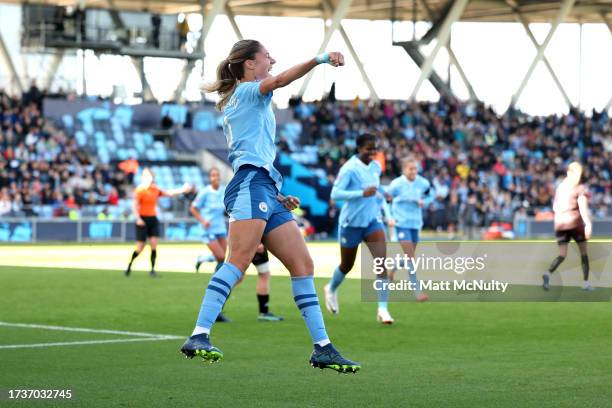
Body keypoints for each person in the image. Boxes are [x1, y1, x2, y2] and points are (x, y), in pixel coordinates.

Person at [179, 39, 360, 373]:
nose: (273, 60)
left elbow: (254, 152)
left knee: (303, 264)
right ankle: (199, 334)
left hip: (263, 186)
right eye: (266, 56)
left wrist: (275, 195)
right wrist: (320, 58)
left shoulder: (242, 97)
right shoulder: (248, 91)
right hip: (251, 184)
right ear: (250, 63)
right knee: (238, 261)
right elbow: (280, 81)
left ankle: (323, 347)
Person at [191, 167, 283, 321]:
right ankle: (215, 304)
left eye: (217, 174)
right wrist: (256, 242)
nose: (216, 177)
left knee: (250, 274)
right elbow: (249, 215)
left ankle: (260, 312)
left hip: (222, 229)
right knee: (230, 268)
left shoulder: (228, 190)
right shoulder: (250, 190)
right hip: (213, 231)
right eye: (213, 175)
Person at [323, 133, 394, 324]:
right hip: (351, 224)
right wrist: (361, 193)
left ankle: (383, 309)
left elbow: (375, 190)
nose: (372, 152)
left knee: (381, 263)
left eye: (374, 148)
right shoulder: (349, 169)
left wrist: (384, 194)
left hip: (372, 221)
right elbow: (335, 194)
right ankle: (331, 288)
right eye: (368, 148)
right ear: (359, 148)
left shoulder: (376, 166)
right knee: (347, 265)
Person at [124, 168, 191, 277]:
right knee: (140, 247)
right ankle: (129, 265)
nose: (150, 178)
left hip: (153, 219)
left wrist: (182, 190)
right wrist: (138, 218)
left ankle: (152, 270)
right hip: (142, 219)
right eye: (147, 176)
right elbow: (134, 205)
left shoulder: (155, 189)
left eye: (151, 176)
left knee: (154, 245)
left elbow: (168, 193)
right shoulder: (140, 190)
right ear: (143, 178)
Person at [386, 157, 433, 302]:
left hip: (415, 223)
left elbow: (430, 195)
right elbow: (386, 200)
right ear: (403, 169)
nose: (413, 171)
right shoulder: (396, 184)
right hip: (401, 223)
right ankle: (417, 291)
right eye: (410, 169)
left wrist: (424, 202)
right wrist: (390, 217)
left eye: (415, 169)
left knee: (409, 257)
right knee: (411, 257)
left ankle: (393, 267)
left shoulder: (423, 183)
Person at [543, 162, 593, 291]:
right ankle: (586, 283)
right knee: (584, 253)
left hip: (560, 224)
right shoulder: (579, 188)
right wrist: (587, 223)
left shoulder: (560, 187)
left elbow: (555, 207)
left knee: (562, 255)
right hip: (575, 223)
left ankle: (548, 273)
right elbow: (583, 207)